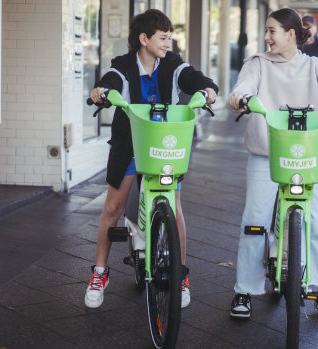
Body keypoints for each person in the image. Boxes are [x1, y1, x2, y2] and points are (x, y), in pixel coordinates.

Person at [227, 8, 318, 323]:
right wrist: (240, 98)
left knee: (317, 223)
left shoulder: (316, 66)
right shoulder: (257, 63)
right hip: (265, 154)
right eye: (266, 30)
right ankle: (245, 289)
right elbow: (242, 88)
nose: (267, 37)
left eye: (272, 30)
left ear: (291, 34)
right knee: (254, 222)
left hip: (305, 156)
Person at [85, 9, 218, 309]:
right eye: (163, 37)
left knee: (176, 209)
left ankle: (180, 275)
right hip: (130, 145)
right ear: (144, 39)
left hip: (164, 145)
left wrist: (207, 89)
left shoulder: (171, 63)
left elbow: (193, 77)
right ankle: (99, 272)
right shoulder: (124, 65)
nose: (168, 43)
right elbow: (112, 80)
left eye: (170, 37)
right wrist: (103, 92)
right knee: (113, 207)